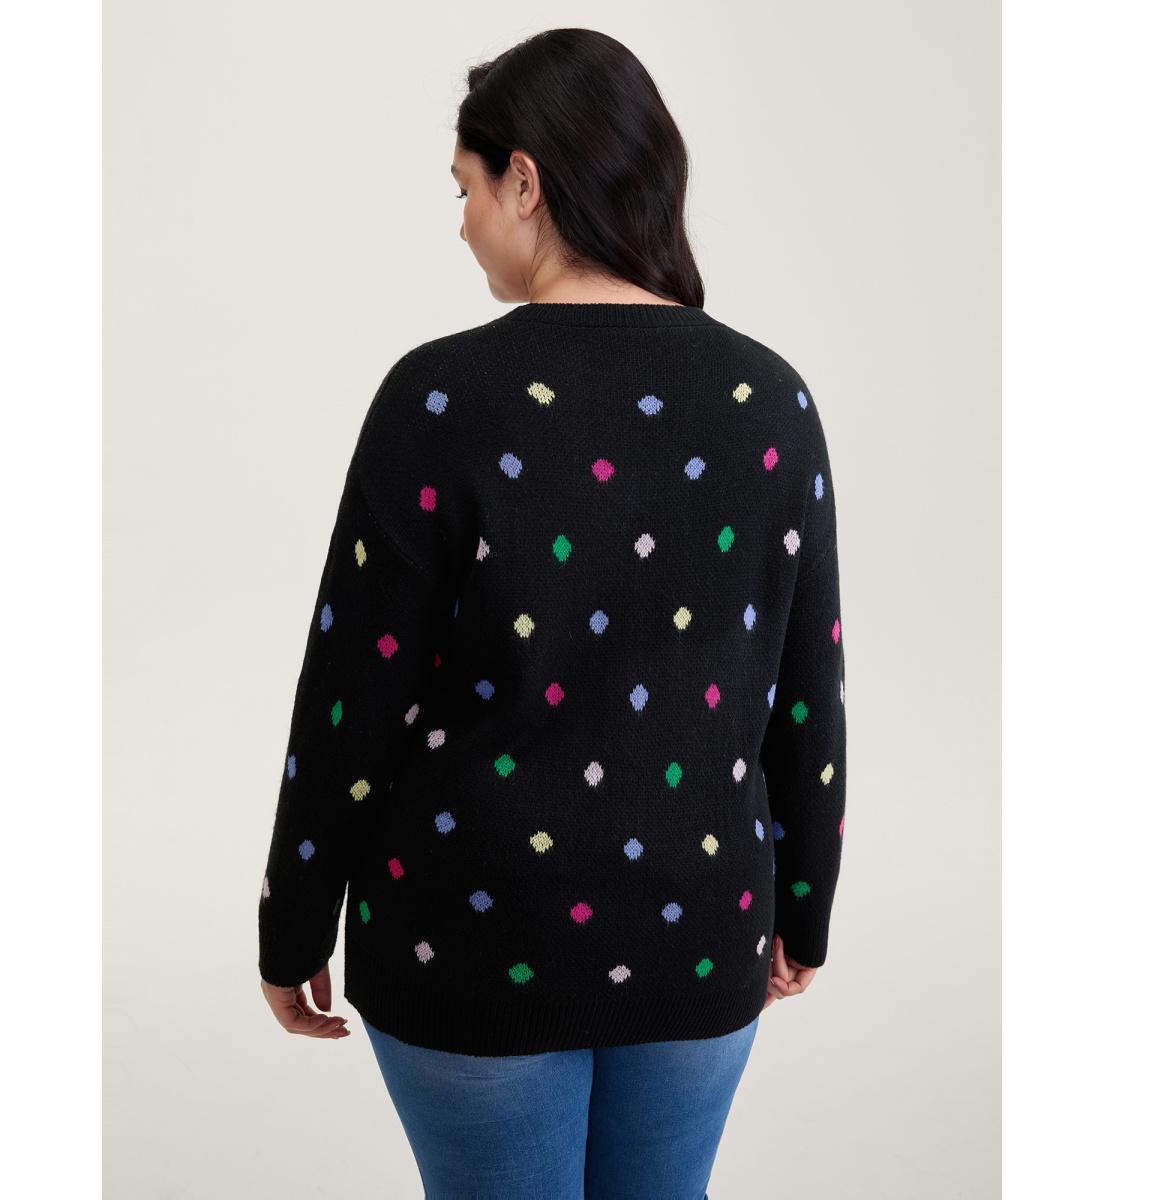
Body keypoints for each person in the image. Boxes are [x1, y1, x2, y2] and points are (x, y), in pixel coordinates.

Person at [256, 27, 847, 1199]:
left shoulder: (438, 399)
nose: (462, 223)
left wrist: (293, 922)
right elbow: (804, 691)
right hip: (699, 919)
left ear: (524, 181)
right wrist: (804, 907)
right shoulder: (770, 401)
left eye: (465, 190)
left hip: (471, 932)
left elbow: (354, 693)